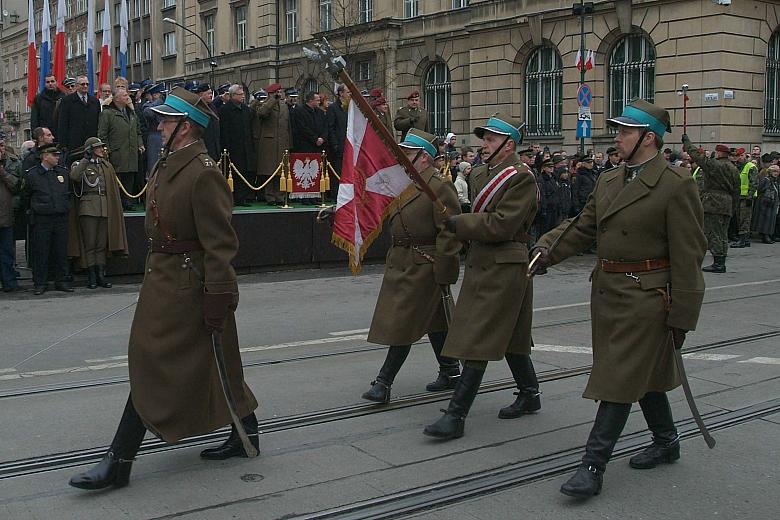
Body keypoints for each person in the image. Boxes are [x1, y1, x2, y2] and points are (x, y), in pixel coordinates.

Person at [68, 87, 258, 491]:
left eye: (167, 120)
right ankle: (248, 432)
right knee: (212, 357)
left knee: (153, 364)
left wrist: (219, 295)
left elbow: (221, 243)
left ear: (185, 128)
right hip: (165, 277)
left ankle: (119, 459)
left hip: (189, 283)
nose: (159, 125)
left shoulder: (203, 171)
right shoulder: (169, 162)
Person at [533, 99, 706, 499]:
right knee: (636, 374)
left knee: (618, 377)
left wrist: (682, 315)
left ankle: (592, 466)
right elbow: (582, 227)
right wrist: (545, 251)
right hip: (609, 293)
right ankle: (666, 440)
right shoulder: (611, 179)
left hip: (648, 296)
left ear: (649, 139)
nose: (618, 137)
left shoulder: (675, 185)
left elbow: (689, 254)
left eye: (626, 131)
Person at [423, 114, 541, 440]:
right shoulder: (480, 173)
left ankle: (456, 414)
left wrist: (461, 224)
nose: (483, 145)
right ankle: (530, 393)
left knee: (478, 338)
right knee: (513, 337)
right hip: (483, 261)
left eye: (490, 140)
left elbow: (502, 224)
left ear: (509, 144)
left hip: (505, 264)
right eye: (484, 139)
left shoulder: (521, 178)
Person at [361, 129, 462, 401]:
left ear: (425, 158)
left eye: (407, 153)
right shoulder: (403, 184)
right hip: (402, 260)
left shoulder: (438, 187)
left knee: (402, 322)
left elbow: (450, 231)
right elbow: (378, 211)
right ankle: (451, 370)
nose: (401, 157)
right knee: (435, 319)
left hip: (425, 262)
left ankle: (383, 383)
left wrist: (445, 269)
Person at [69, 137, 129, 288]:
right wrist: (85, 160)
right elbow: (75, 177)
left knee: (101, 244)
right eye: (98, 147)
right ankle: (91, 276)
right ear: (90, 150)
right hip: (88, 208)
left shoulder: (106, 166)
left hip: (104, 207)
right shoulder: (80, 164)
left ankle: (101, 275)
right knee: (90, 244)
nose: (102, 149)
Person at [682, 138, 740, 273]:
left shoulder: (715, 165)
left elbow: (698, 157)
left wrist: (687, 143)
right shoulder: (733, 168)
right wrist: (733, 207)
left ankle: (718, 263)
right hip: (727, 202)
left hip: (714, 202)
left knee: (714, 233)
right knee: (723, 233)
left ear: (719, 153)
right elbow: (737, 191)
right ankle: (721, 260)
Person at [23, 143, 73, 295]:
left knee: (61, 252)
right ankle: (40, 283)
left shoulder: (62, 173)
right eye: (54, 155)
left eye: (58, 154)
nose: (57, 157)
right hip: (42, 219)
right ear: (45, 156)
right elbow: (26, 195)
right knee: (41, 252)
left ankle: (61, 280)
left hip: (60, 217)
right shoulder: (32, 174)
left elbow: (67, 192)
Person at [98, 89, 144, 211]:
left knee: (130, 177)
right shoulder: (107, 114)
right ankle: (117, 203)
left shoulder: (132, 113)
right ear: (117, 98)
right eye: (124, 95)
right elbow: (102, 134)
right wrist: (106, 150)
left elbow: (138, 131)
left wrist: (140, 144)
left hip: (131, 152)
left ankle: (127, 201)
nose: (128, 97)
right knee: (118, 178)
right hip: (117, 152)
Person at [251, 83, 289, 206]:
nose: (280, 94)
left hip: (282, 142)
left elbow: (288, 125)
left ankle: (280, 196)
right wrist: (272, 99)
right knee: (269, 171)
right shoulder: (264, 103)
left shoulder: (284, 106)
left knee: (280, 171)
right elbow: (262, 113)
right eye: (278, 92)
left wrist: (289, 143)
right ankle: (270, 196)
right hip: (269, 143)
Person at [219, 84, 256, 207]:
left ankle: (242, 197)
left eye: (243, 94)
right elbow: (224, 130)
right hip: (232, 148)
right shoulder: (225, 110)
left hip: (245, 147)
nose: (243, 97)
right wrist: (226, 147)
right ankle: (231, 198)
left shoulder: (245, 109)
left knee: (244, 173)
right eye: (240, 94)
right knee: (232, 174)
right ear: (233, 95)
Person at [57, 75, 101, 159]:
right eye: (82, 84)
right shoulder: (67, 101)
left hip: (92, 141)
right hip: (74, 144)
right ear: (77, 86)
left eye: (87, 84)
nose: (85, 86)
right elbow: (63, 123)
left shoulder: (95, 101)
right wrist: (63, 144)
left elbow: (98, 121)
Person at [0, 133, 22, 292]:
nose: (0, 149)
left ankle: (9, 283)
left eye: (1, 145)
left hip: (6, 214)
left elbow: (16, 185)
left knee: (7, 253)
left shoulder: (13, 162)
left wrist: (2, 172)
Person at [730, 147, 759, 248]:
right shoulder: (738, 166)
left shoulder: (750, 167)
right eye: (737, 156)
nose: (739, 158)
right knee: (739, 218)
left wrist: (750, 197)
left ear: (744, 155)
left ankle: (743, 240)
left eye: (741, 156)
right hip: (739, 196)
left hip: (746, 197)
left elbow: (754, 183)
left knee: (744, 219)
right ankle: (744, 239)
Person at [327, 84, 350, 199]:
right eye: (348, 92)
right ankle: (336, 194)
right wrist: (335, 144)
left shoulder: (349, 107)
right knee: (337, 171)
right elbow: (331, 127)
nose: (349, 95)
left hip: (348, 145)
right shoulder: (333, 108)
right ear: (341, 93)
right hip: (338, 145)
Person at [751, 164, 779, 243]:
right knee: (765, 219)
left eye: (777, 171)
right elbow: (759, 189)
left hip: (771, 203)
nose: (776, 173)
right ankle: (765, 236)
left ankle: (768, 235)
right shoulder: (766, 180)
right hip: (765, 203)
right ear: (770, 171)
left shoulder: (775, 180)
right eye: (774, 171)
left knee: (770, 219)